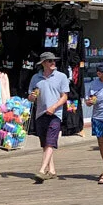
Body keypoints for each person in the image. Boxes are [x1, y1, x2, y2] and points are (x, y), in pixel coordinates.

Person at [28, 53, 70, 182]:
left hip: (55, 114)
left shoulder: (61, 77)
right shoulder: (36, 77)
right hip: (40, 113)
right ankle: (51, 171)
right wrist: (32, 97)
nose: (53, 62)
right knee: (45, 143)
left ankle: (41, 170)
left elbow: (65, 96)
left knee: (51, 141)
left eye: (54, 60)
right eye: (50, 61)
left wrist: (54, 107)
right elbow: (30, 96)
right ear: (43, 63)